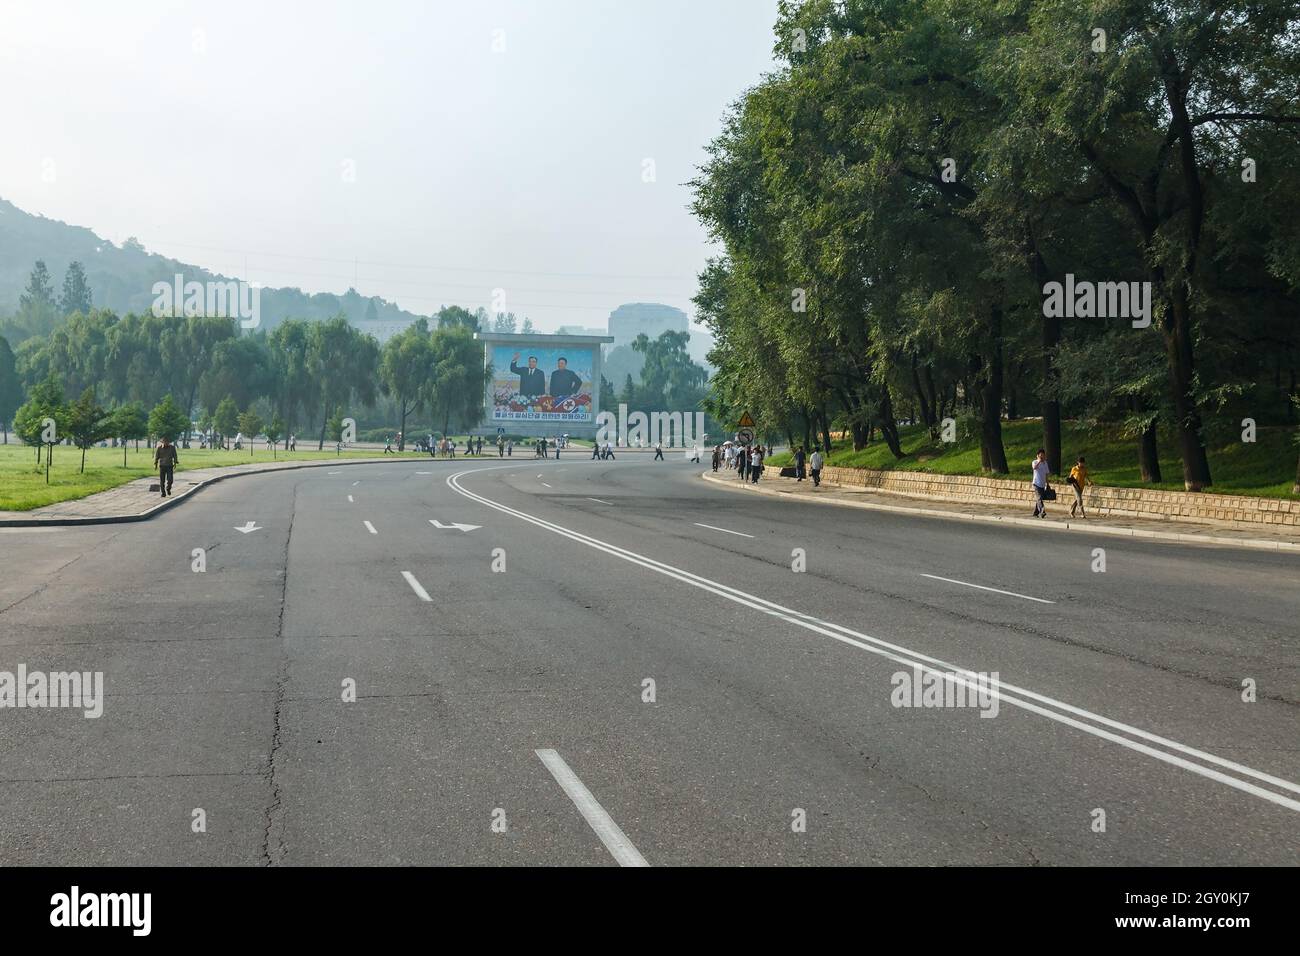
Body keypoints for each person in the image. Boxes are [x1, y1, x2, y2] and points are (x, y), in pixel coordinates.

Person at [1031, 448, 1052, 517]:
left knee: (1039, 498)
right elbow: (1034, 468)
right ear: (1037, 456)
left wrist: (1047, 484)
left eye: (1043, 455)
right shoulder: (1035, 462)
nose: (1042, 457)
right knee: (1039, 497)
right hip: (1036, 483)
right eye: (1040, 455)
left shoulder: (1045, 463)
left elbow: (1046, 474)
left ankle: (1035, 513)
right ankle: (1042, 511)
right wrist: (1039, 461)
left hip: (1042, 484)